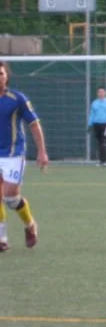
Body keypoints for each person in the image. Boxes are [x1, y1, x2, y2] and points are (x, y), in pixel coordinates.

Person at [0, 60, 49, 251]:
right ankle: (2, 238)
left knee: (10, 197)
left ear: (7, 76)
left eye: (1, 73)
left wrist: (42, 151)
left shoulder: (17, 98)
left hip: (13, 154)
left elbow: (34, 124)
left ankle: (30, 225)